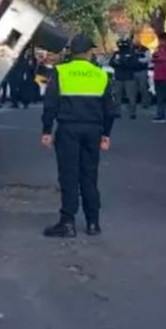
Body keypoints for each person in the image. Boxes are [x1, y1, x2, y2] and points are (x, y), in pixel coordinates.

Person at [41, 33, 116, 237]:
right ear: (89, 52)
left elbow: (50, 104)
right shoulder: (101, 75)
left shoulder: (61, 71)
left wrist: (47, 130)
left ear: (72, 52)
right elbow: (110, 109)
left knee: (69, 175)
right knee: (89, 176)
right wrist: (106, 134)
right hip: (93, 131)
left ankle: (67, 222)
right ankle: (93, 222)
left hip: (68, 130)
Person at [110, 37, 140, 119]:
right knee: (117, 96)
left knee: (131, 96)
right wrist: (116, 63)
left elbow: (135, 64)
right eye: (121, 44)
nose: (122, 46)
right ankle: (117, 112)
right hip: (118, 77)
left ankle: (132, 113)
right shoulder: (116, 53)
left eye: (124, 44)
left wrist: (124, 63)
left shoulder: (131, 53)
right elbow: (111, 62)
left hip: (129, 77)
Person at [134, 41, 152, 109]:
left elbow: (148, 59)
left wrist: (138, 60)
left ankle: (145, 103)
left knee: (143, 87)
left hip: (142, 71)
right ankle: (134, 103)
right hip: (133, 71)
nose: (136, 43)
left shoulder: (145, 50)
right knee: (133, 88)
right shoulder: (131, 49)